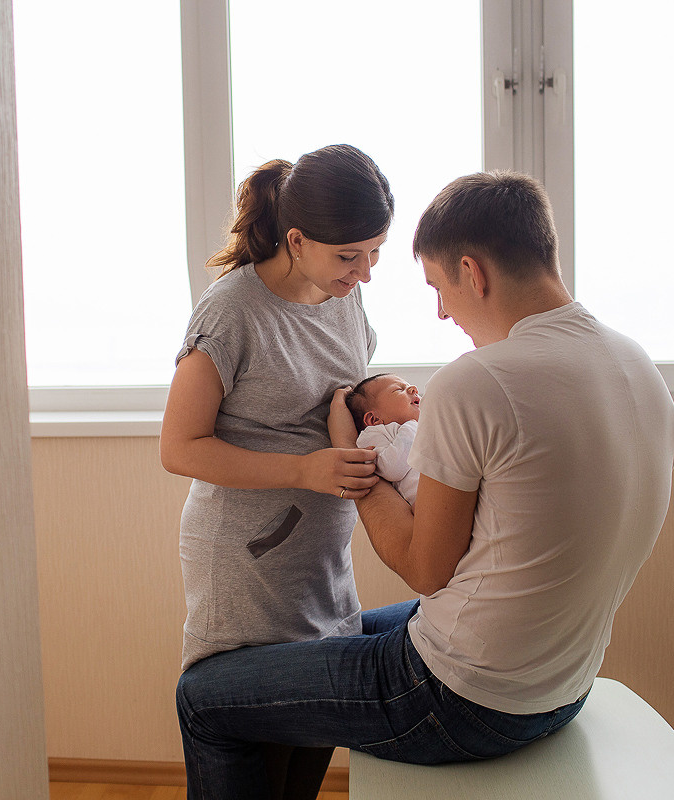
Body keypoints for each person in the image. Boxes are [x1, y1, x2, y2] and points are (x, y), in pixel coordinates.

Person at [174, 171, 674, 800]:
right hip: (562, 682)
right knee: (334, 636)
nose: (442, 310)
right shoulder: (636, 366)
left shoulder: (481, 382)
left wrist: (346, 459)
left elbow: (424, 567)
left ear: (474, 272)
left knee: (201, 697)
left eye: (439, 287)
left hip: (461, 697)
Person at [159, 144, 395, 799]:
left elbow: (334, 394)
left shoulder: (344, 299)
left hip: (322, 576)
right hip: (246, 579)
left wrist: (378, 404)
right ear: (296, 239)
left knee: (300, 780)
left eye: (375, 252)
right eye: (350, 256)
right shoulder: (231, 311)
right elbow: (179, 447)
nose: (365, 273)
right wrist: (305, 469)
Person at [329, 374, 422, 504]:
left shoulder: (425, 427)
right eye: (399, 390)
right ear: (374, 419)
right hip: (426, 502)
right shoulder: (375, 433)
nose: (414, 389)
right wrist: (412, 425)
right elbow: (392, 468)